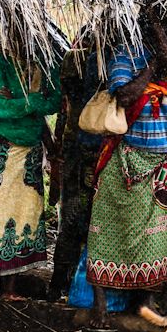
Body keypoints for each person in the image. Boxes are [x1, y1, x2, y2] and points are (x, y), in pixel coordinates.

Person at [86, 10, 167, 326]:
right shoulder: (125, 56)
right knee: (107, 228)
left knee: (162, 235)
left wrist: (161, 53)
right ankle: (100, 302)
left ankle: (147, 303)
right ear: (154, 31)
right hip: (125, 159)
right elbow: (124, 95)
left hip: (163, 161)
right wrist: (151, 65)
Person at [0, 41, 61, 301]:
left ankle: (9, 288)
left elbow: (54, 103)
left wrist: (21, 101)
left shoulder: (44, 59)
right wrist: (33, 102)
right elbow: (2, 108)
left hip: (29, 150)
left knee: (22, 215)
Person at [46, 38, 101, 301]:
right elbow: (66, 103)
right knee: (75, 219)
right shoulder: (81, 60)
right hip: (81, 148)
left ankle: (71, 284)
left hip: (88, 147)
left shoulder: (81, 61)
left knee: (82, 219)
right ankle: (61, 282)